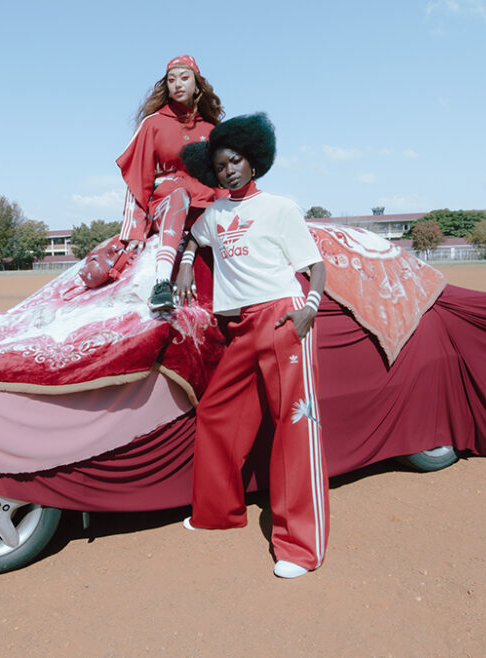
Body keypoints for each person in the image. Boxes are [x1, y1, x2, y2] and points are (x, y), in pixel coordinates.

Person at [174, 113, 329, 578]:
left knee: (293, 430)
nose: (229, 171)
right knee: (217, 412)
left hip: (284, 318)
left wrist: (311, 307)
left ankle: (300, 547)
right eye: (220, 166)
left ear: (254, 160)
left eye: (236, 161)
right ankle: (218, 514)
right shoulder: (215, 215)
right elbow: (194, 240)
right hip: (241, 327)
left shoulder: (280, 207)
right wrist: (184, 261)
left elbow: (315, 266)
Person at [116, 54, 225, 310]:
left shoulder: (210, 130)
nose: (177, 84)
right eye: (171, 79)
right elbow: (138, 178)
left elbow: (222, 181)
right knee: (179, 194)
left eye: (184, 78)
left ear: (196, 84)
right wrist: (134, 230)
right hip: (168, 202)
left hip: (203, 207)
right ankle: (162, 283)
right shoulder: (152, 124)